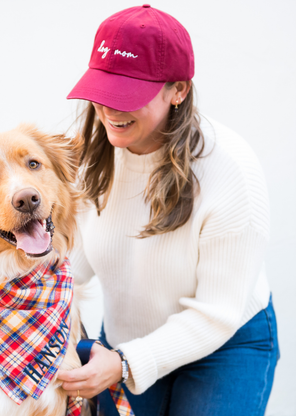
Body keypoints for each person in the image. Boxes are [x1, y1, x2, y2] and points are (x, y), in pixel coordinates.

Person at [57, 5, 279, 416]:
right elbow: (72, 261)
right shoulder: (84, 156)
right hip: (126, 339)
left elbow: (217, 313)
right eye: (104, 90)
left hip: (225, 344)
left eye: (128, 95)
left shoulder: (230, 172)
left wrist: (124, 364)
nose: (109, 110)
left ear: (178, 90)